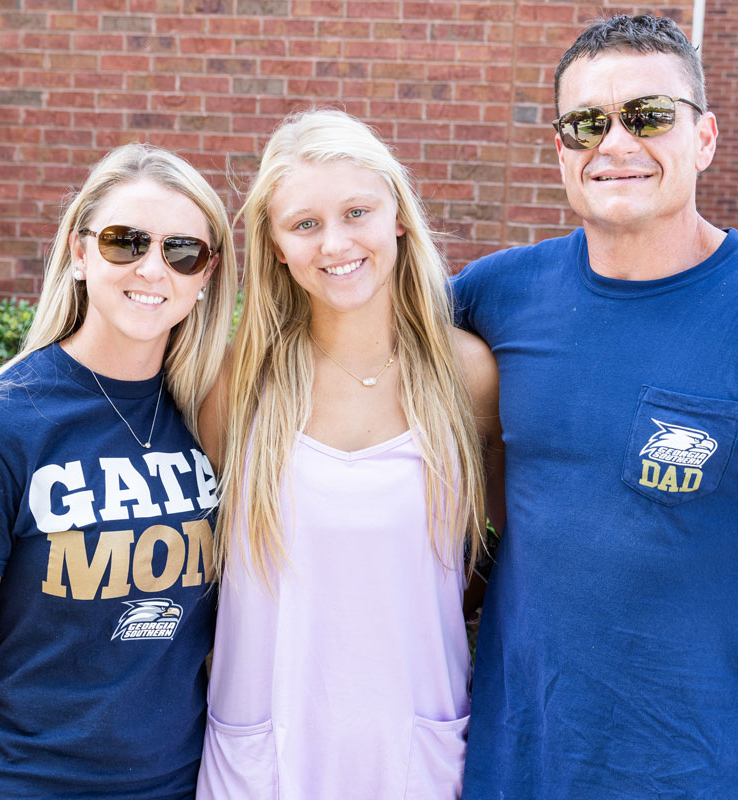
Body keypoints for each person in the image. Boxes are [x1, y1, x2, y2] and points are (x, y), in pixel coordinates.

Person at [452, 14, 738, 800]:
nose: (615, 143)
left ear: (705, 138)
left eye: (650, 116)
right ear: (560, 148)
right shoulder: (493, 298)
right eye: (586, 122)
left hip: (703, 779)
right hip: (508, 771)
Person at [0, 142, 238, 799]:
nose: (153, 268)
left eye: (182, 251)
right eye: (125, 242)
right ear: (80, 254)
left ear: (205, 277)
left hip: (179, 784)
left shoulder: (214, 419)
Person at [195, 109, 504, 799]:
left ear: (397, 214)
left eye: (357, 211)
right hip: (261, 760)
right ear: (274, 245)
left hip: (416, 759)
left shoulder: (467, 373)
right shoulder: (236, 384)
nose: (335, 242)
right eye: (304, 223)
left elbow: (501, 554)